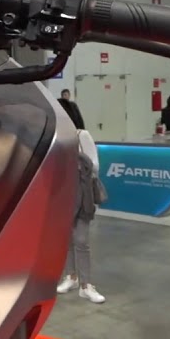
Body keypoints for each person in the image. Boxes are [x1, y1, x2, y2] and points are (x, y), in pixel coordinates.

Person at [55, 125, 104, 303]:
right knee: (67, 239)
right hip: (62, 194)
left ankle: (86, 285)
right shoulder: (56, 137)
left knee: (81, 240)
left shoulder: (82, 135)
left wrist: (76, 160)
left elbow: (95, 167)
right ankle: (71, 276)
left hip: (82, 195)